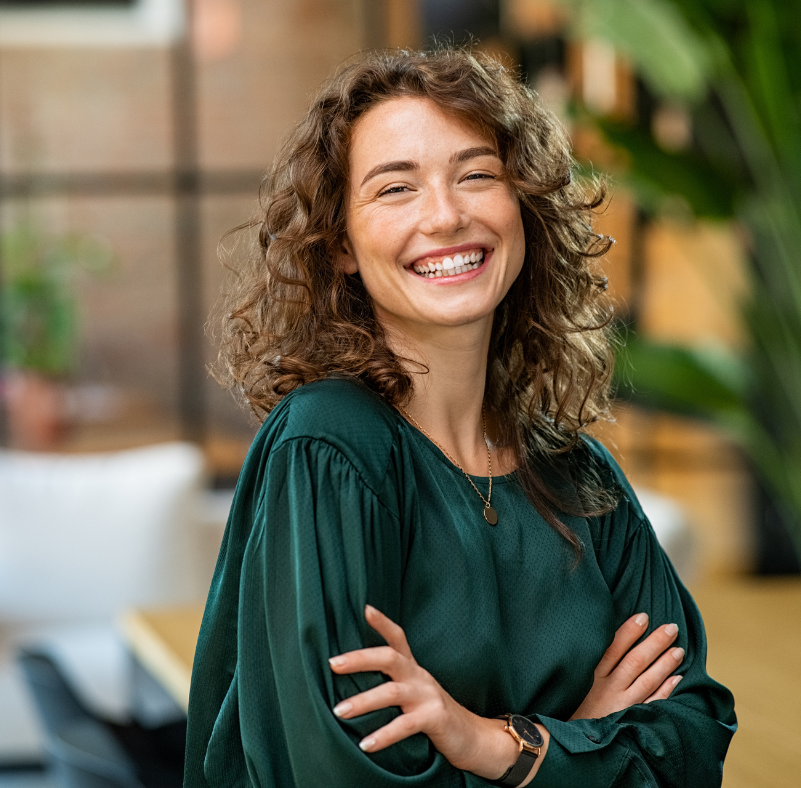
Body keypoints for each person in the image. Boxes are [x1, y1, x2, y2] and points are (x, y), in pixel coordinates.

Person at [184, 48, 736, 787]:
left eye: (476, 175)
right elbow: (341, 775)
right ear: (341, 243)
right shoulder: (329, 448)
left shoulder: (578, 475)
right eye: (395, 188)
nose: (445, 216)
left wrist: (495, 744)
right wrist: (579, 743)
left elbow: (692, 742)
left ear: (523, 207)